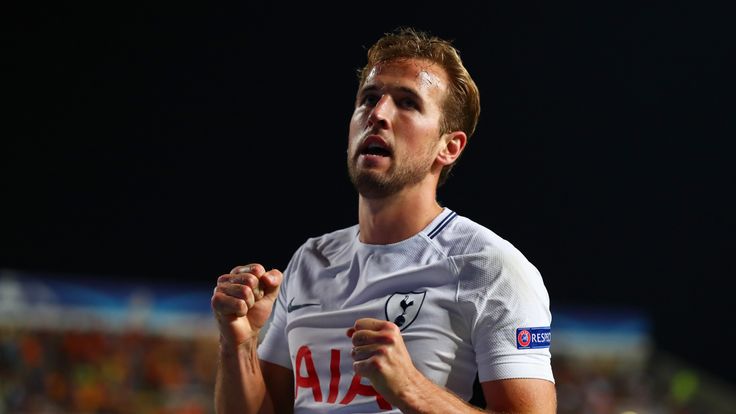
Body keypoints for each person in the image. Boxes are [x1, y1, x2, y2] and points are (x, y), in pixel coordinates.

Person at [211, 27, 556, 413]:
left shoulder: (490, 267)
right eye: (369, 98)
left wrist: (410, 388)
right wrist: (238, 341)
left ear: (449, 146)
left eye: (407, 103)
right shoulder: (309, 261)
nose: (378, 114)